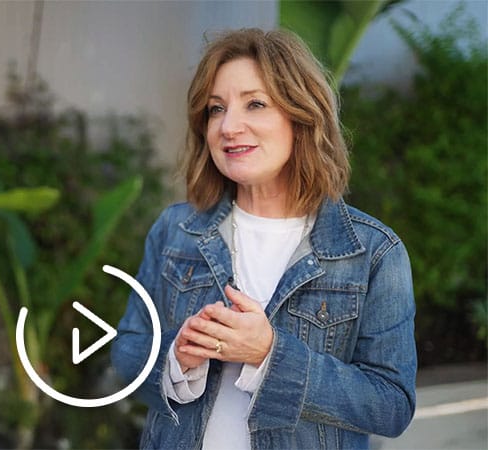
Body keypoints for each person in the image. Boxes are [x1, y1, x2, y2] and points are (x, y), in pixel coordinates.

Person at [110, 28, 416, 450]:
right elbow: (126, 352)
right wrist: (176, 362)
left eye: (255, 104)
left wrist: (271, 355)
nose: (229, 126)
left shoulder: (371, 252)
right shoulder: (175, 230)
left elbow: (392, 405)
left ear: (302, 116)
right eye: (216, 109)